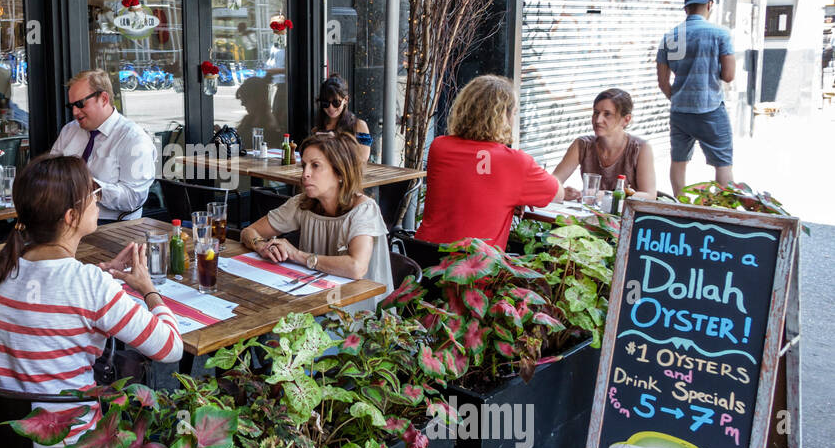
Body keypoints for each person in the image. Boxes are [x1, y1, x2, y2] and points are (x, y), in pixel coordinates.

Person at [0, 155, 183, 448]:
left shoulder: (6, 270)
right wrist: (149, 289)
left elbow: (57, 299)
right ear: (70, 216)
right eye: (93, 193)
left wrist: (103, 272)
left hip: (9, 445)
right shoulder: (88, 285)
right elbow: (171, 347)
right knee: (154, 430)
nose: (99, 199)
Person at [239, 130, 393, 314]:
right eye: (304, 166)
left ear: (340, 172)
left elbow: (356, 267)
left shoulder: (363, 210)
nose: (305, 174)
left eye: (315, 166)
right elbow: (248, 231)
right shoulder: (302, 204)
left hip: (356, 315)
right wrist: (261, 246)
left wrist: (296, 255)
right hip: (312, 304)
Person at [415, 75, 562, 250]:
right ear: (503, 117)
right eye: (514, 113)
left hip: (424, 263)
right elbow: (557, 194)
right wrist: (515, 192)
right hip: (476, 271)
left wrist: (507, 194)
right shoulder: (516, 162)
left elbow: (470, 185)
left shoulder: (439, 147)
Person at [657, 0, 736, 193]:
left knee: (678, 160)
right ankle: (722, 212)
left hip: (679, 112)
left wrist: (676, 99)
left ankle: (680, 206)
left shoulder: (668, 37)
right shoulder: (720, 34)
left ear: (686, 9)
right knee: (723, 163)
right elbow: (728, 75)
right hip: (710, 109)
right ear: (709, 5)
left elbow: (663, 82)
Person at [50, 69, 155, 221]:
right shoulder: (70, 130)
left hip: (112, 224)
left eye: (80, 104)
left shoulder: (133, 138)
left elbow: (133, 198)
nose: (74, 111)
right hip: (64, 219)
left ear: (104, 99)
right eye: (71, 106)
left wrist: (90, 187)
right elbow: (50, 172)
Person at [551, 88, 657, 199]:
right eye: (596, 113)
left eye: (607, 114)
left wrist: (603, 195)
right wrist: (563, 192)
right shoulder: (582, 145)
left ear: (626, 120)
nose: (598, 120)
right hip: (590, 213)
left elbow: (649, 195)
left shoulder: (640, 148)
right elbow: (554, 181)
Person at [314, 74, 372, 164]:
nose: (331, 108)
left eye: (336, 102)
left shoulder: (359, 125)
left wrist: (334, 142)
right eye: (325, 103)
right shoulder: (318, 128)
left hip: (350, 176)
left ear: (345, 100)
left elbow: (362, 158)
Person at [235, 76, 282, 147]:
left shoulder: (270, 126)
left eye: (245, 100)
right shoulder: (249, 119)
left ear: (257, 99)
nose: (242, 104)